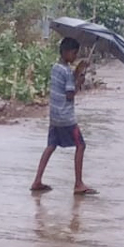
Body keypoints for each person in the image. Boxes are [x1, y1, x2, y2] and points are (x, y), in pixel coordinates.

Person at [31, 36, 97, 196]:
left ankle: (37, 180)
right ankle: (78, 183)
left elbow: (64, 83)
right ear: (67, 52)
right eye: (74, 53)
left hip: (54, 116)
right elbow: (70, 94)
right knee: (81, 145)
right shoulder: (67, 72)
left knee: (51, 146)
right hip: (66, 118)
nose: (75, 57)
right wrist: (79, 83)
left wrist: (77, 72)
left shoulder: (56, 67)